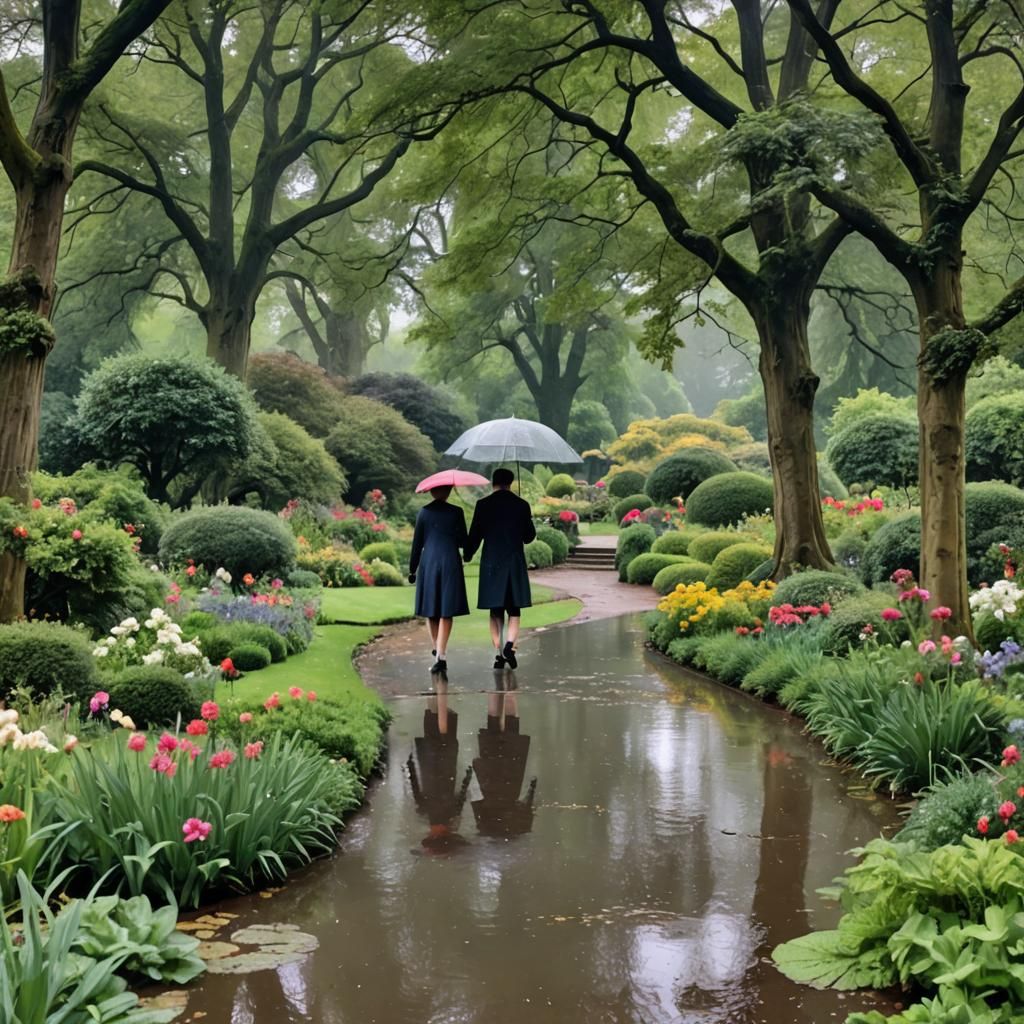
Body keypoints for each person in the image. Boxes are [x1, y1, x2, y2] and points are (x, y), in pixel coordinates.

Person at [465, 467, 536, 669]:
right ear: (511, 482)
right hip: (514, 561)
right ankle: (510, 645)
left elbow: (475, 535)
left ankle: (499, 654)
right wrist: (526, 517)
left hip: (491, 562)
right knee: (514, 610)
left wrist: (468, 553)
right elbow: (529, 537)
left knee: (495, 610)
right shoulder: (521, 505)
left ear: (493, 482)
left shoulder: (483, 505)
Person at [408, 484, 469, 673]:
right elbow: (463, 541)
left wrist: (412, 570)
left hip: (430, 562)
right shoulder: (456, 512)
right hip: (450, 560)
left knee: (431, 609)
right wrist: (467, 553)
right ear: (449, 491)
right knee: (446, 610)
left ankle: (439, 652)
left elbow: (417, 544)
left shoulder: (424, 513)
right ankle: (440, 654)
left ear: (432, 492)